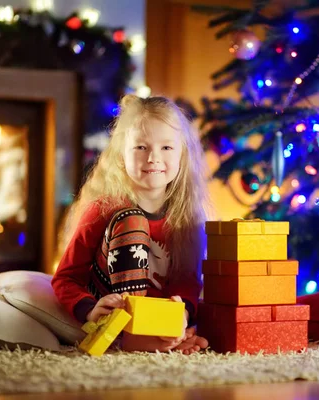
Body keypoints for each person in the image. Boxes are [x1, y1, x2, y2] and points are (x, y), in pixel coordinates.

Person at [52, 95, 210, 354]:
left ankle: (167, 339)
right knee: (132, 220)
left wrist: (181, 316)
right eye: (141, 147)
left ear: (182, 155)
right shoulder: (102, 209)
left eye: (167, 148)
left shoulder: (186, 217)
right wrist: (90, 309)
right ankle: (133, 336)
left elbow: (188, 282)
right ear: (120, 154)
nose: (153, 158)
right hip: (114, 312)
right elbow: (66, 278)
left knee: (212, 322)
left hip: (159, 315)